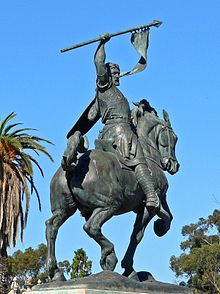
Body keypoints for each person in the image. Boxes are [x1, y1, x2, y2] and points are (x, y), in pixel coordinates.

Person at [62, 34, 159, 211]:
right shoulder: (105, 86)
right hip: (121, 133)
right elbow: (99, 64)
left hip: (107, 134)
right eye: (113, 73)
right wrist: (102, 44)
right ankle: (151, 195)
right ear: (106, 76)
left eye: (117, 73)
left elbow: (91, 116)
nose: (117, 75)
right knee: (139, 161)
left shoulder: (110, 95)